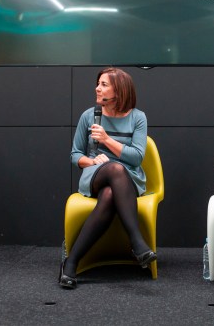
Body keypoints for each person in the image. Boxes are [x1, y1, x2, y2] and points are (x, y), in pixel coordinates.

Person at [59, 67, 155, 289]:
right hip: (95, 174)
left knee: (112, 190)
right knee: (114, 169)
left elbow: (137, 158)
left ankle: (71, 263)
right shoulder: (89, 116)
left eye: (104, 84)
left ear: (119, 91)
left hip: (128, 178)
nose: (97, 88)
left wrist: (107, 139)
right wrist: (92, 162)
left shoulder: (138, 118)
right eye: (98, 83)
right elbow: (75, 155)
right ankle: (137, 243)